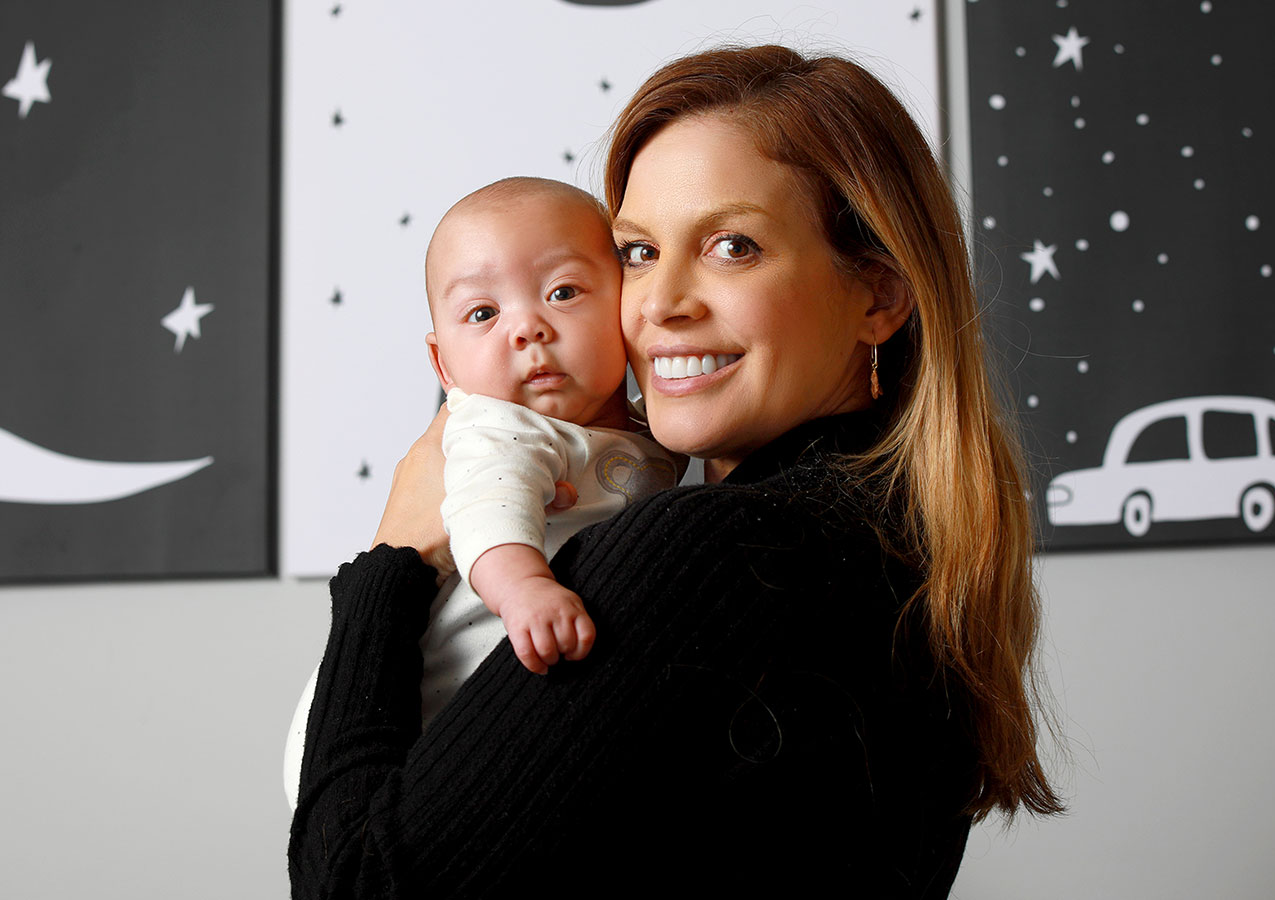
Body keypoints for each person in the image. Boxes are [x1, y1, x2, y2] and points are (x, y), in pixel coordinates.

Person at [289, 44, 1063, 898]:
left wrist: (391, 565)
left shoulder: (720, 552)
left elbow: (351, 886)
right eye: (637, 252)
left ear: (876, 295)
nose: (660, 304)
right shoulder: (900, 549)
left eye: (732, 246)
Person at [282, 177, 679, 808]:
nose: (527, 328)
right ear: (444, 367)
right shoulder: (498, 428)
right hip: (410, 705)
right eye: (484, 314)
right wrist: (524, 589)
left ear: (625, 306)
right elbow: (487, 514)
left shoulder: (654, 430)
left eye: (565, 292)